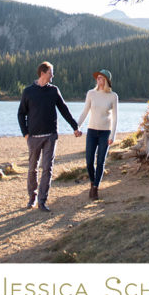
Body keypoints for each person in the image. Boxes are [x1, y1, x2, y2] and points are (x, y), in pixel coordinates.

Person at [17, 61, 80, 212]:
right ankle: (32, 197)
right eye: (51, 72)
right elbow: (21, 114)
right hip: (33, 137)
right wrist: (25, 134)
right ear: (43, 73)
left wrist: (75, 126)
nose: (53, 75)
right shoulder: (28, 91)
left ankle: (42, 200)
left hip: (50, 136)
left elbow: (64, 109)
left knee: (48, 168)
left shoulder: (54, 91)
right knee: (32, 168)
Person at [77, 69, 119, 201]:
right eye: (97, 77)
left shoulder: (113, 96)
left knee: (100, 161)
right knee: (89, 161)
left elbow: (115, 117)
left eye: (101, 78)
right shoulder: (91, 93)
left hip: (105, 133)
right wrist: (77, 126)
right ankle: (92, 181)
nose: (98, 79)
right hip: (92, 131)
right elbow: (85, 111)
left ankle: (95, 187)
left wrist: (112, 135)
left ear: (106, 80)